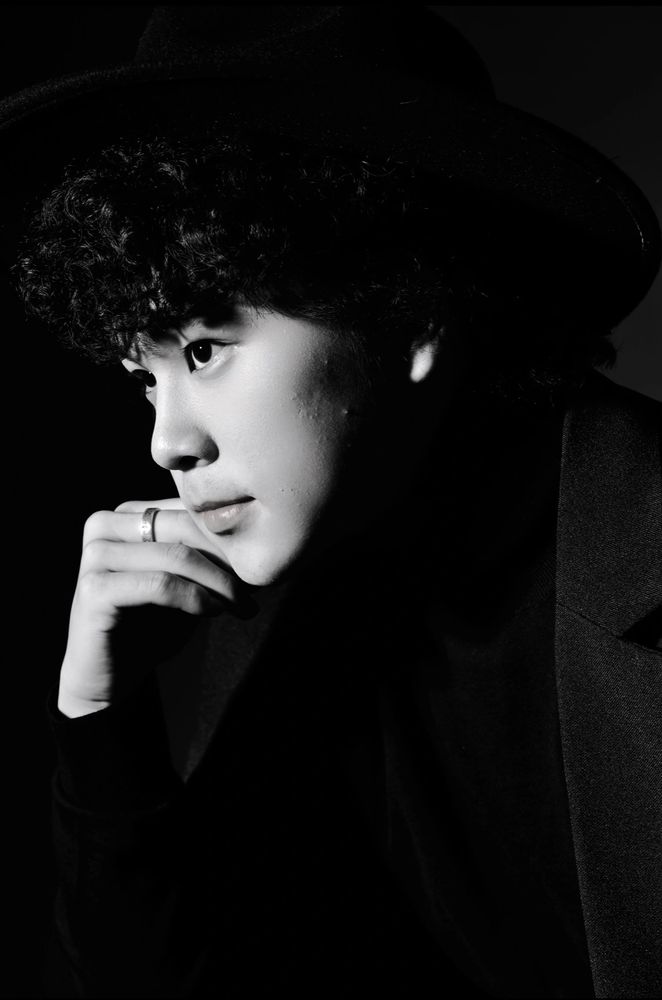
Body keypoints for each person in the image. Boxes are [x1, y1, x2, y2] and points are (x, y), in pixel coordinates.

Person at [1, 7, 660, 998]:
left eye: (203, 350)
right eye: (144, 377)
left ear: (410, 313)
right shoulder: (290, 604)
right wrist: (101, 724)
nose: (166, 441)